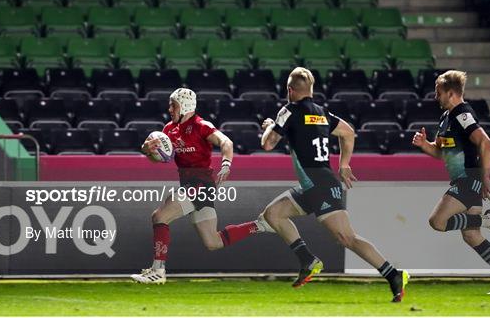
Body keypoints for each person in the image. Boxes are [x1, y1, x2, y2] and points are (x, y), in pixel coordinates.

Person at [259, 67, 409, 302]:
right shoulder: (321, 113)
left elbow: (267, 144)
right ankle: (308, 260)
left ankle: (393, 274)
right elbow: (348, 132)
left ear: (289, 90)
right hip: (315, 184)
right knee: (273, 214)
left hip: (321, 186)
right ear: (311, 89)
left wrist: (269, 125)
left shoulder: (288, 111)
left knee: (347, 238)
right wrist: (344, 163)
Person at [131, 88, 272, 284]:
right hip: (191, 184)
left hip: (201, 184)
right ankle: (260, 225)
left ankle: (158, 271)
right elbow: (160, 158)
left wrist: (226, 164)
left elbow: (226, 142)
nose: (169, 108)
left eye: (174, 105)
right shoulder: (168, 130)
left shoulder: (201, 125)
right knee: (213, 242)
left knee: (159, 216)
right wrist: (146, 150)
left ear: (185, 106)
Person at [412, 70, 490, 294]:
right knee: (471, 235)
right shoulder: (446, 117)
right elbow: (442, 153)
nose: (435, 97)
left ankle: (485, 219)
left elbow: (486, 142)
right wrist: (425, 145)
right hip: (463, 178)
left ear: (451, 93)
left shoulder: (463, 113)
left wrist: (486, 175)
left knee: (437, 222)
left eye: (438, 92)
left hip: (468, 178)